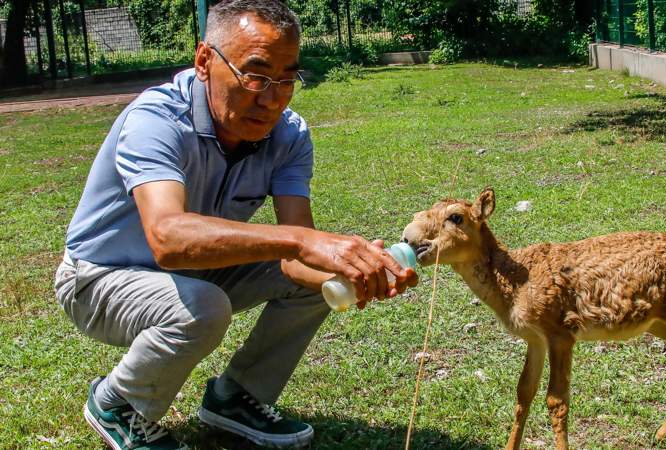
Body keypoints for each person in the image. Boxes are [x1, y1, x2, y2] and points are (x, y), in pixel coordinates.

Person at [53, 1, 417, 448]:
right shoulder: (157, 119)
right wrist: (301, 242)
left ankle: (238, 395)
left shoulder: (288, 135)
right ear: (205, 61)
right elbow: (168, 237)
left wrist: (355, 271)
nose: (272, 99)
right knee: (207, 305)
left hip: (194, 273)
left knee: (320, 279)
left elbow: (297, 259)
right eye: (256, 75)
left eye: (287, 80)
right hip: (97, 279)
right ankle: (118, 404)